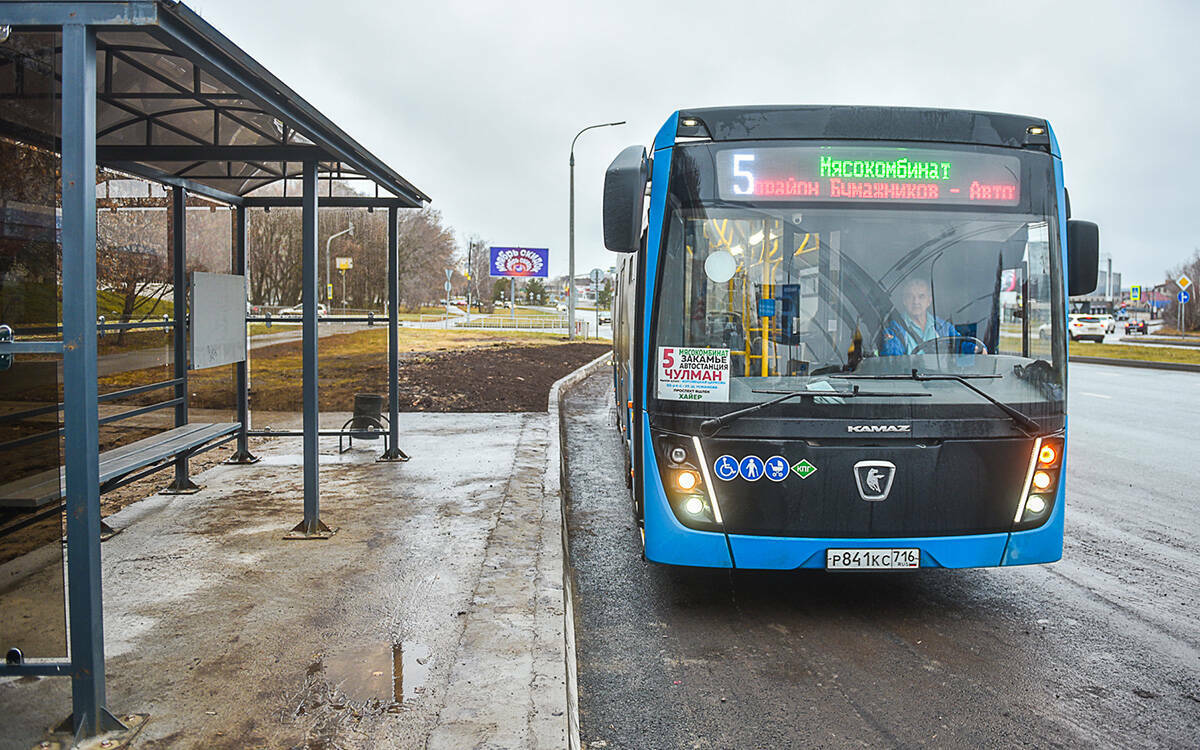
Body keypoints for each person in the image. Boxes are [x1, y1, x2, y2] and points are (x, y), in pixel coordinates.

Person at [880, 277, 974, 355]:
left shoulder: (942, 327)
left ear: (929, 301)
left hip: (942, 372)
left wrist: (975, 349)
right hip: (911, 372)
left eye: (921, 296)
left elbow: (960, 344)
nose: (916, 301)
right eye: (910, 296)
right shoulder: (895, 329)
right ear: (904, 301)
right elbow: (893, 359)